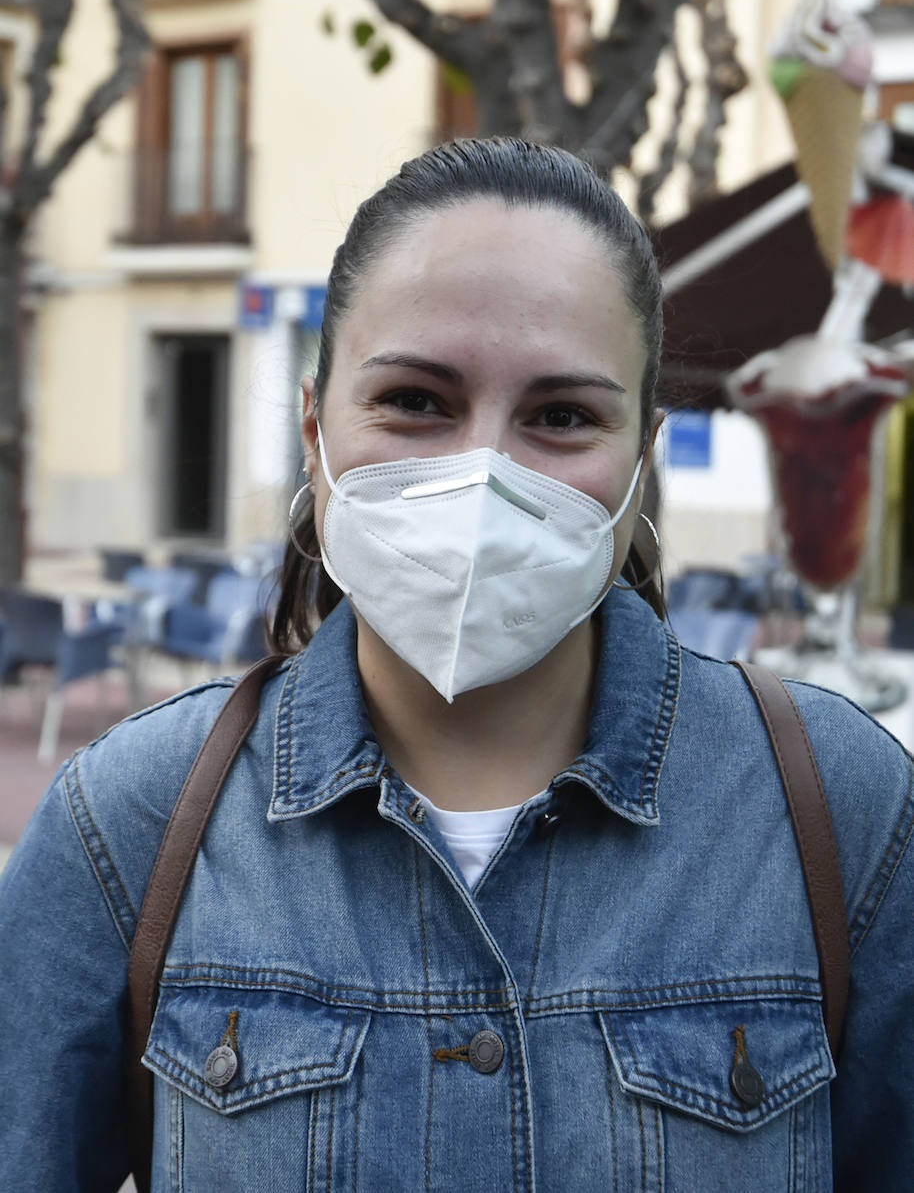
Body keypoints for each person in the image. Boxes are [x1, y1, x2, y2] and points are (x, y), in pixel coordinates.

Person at [0, 137, 912, 1192]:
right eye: (416, 402)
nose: (482, 473)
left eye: (560, 417)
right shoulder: (127, 823)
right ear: (314, 429)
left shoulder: (841, 812)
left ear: (638, 460)